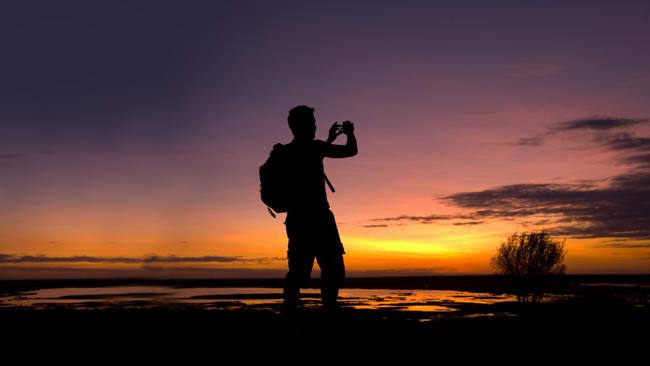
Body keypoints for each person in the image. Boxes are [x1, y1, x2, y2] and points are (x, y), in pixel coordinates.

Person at [281, 105, 358, 313]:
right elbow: (351, 151)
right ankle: (329, 312)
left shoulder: (287, 152)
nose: (315, 126)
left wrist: (328, 140)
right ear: (304, 125)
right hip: (320, 219)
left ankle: (289, 312)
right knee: (332, 271)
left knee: (297, 273)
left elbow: (310, 160)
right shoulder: (315, 148)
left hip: (297, 220)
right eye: (313, 123)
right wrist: (350, 134)